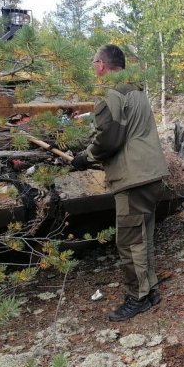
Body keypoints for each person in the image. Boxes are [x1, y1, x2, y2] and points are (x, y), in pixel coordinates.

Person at [71, 44, 168, 322]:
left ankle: (137, 298)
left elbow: (109, 139)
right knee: (142, 237)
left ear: (102, 65)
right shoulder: (135, 91)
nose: (93, 67)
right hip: (151, 174)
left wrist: (85, 157)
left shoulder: (110, 94)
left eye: (93, 62)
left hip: (133, 179)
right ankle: (149, 291)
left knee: (129, 242)